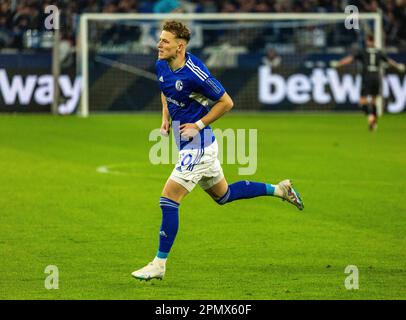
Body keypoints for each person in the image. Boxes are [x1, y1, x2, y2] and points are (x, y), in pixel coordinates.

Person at [131, 21, 304, 281]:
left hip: (198, 146)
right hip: (191, 146)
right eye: (160, 40)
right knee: (224, 195)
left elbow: (226, 102)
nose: (159, 44)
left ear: (179, 47)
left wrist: (198, 125)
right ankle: (280, 189)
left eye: (165, 41)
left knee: (168, 199)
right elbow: (166, 91)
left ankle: (159, 264)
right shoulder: (161, 64)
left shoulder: (195, 72)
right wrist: (165, 117)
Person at [330, 35, 405, 131]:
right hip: (376, 77)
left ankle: (370, 117)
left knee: (362, 101)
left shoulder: (363, 51)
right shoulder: (379, 52)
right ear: (374, 41)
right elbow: (389, 61)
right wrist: (398, 66)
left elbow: (350, 59)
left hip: (367, 77)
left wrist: (338, 63)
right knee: (373, 101)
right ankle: (374, 124)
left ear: (367, 41)